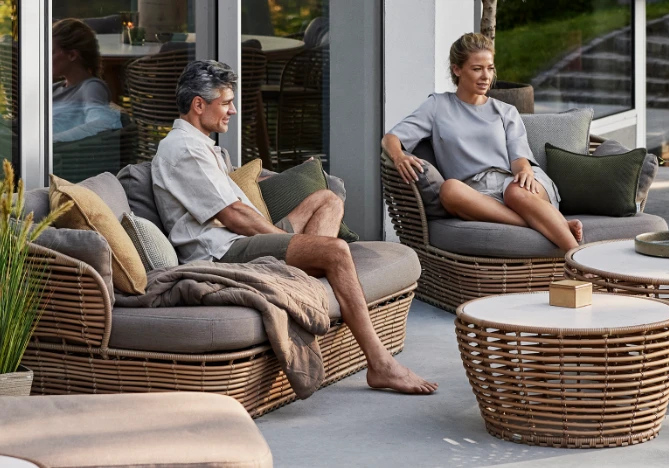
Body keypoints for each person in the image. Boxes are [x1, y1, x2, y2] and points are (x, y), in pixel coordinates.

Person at [151, 60, 438, 395]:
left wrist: (291, 239)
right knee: (336, 251)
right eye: (226, 102)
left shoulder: (202, 145)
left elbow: (240, 209)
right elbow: (234, 216)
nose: (233, 110)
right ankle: (381, 364)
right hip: (221, 252)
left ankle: (304, 275)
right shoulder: (181, 148)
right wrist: (290, 239)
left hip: (238, 238)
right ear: (199, 105)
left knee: (328, 200)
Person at [381, 33, 582, 252]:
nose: (486, 76)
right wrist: (399, 155)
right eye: (477, 68)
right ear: (457, 70)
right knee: (449, 190)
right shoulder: (437, 106)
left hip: (518, 185)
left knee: (515, 192)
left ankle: (577, 258)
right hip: (478, 196)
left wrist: (525, 172)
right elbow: (391, 138)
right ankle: (556, 225)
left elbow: (519, 158)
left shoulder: (505, 111)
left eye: (490, 68)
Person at [52, 18, 121, 143]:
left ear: (72, 55)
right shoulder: (55, 88)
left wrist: (50, 142)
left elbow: (102, 123)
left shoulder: (91, 88)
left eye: (51, 52)